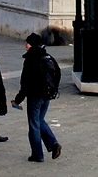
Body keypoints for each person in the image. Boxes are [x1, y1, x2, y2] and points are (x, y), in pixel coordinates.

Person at [12, 33, 62, 162]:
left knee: (34, 124)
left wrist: (18, 99)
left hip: (35, 95)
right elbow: (58, 73)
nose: (25, 45)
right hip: (48, 94)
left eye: (27, 43)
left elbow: (25, 82)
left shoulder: (31, 59)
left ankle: (37, 154)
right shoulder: (48, 56)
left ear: (31, 44)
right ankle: (53, 144)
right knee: (40, 120)